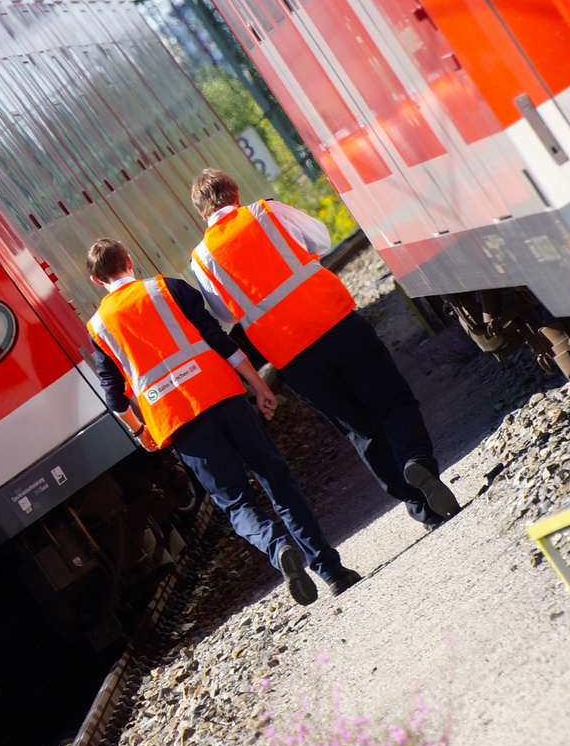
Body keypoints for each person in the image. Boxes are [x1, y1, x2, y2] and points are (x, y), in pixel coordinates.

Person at [85, 238, 361, 604]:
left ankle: (277, 547)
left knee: (236, 503)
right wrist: (259, 384)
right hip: (223, 396)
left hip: (180, 422)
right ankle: (331, 571)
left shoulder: (99, 327)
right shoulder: (168, 288)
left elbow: (114, 396)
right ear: (129, 261)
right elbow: (220, 341)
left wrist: (139, 430)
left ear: (95, 281)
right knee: (278, 481)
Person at [186, 168, 461, 529]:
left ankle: (419, 506)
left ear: (203, 212)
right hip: (336, 323)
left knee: (359, 429)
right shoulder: (267, 212)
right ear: (234, 193)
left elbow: (222, 312)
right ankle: (415, 459)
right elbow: (321, 240)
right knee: (391, 400)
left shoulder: (202, 258)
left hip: (293, 356)